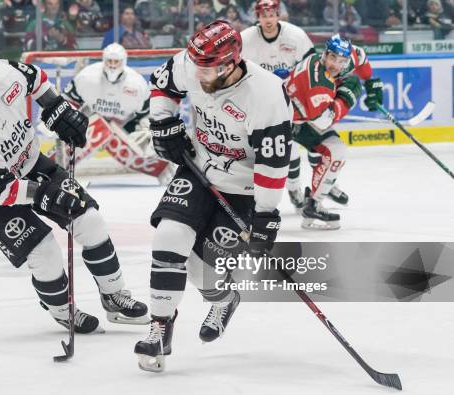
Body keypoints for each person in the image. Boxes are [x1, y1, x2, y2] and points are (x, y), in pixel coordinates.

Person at [0, 54, 149, 334]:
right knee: (45, 251)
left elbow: (34, 77)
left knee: (90, 220)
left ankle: (114, 295)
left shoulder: (4, 75)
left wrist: (55, 106)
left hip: (32, 164)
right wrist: (48, 196)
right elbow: (5, 192)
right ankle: (63, 311)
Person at [133, 20, 292, 372]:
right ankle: (160, 327)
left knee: (201, 275)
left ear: (230, 64)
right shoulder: (195, 63)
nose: (197, 74)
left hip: (244, 191)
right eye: (196, 66)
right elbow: (163, 82)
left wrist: (266, 213)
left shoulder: (266, 94)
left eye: (206, 70)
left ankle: (224, 300)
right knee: (169, 237)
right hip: (198, 169)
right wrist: (162, 122)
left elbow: (273, 160)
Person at [284, 34, 383, 229]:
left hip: (303, 112)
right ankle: (314, 202)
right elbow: (322, 121)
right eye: (332, 59)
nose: (336, 65)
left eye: (342, 61)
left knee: (334, 151)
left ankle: (314, 202)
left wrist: (371, 81)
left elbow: (360, 56)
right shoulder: (318, 83)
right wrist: (348, 98)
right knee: (335, 152)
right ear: (325, 54)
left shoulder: (342, 59)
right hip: (292, 122)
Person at [241, 0, 316, 211]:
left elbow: (312, 67)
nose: (268, 19)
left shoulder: (296, 35)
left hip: (290, 101)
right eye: (263, 15)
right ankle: (248, 196)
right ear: (257, 17)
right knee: (251, 153)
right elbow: (236, 70)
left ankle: (293, 188)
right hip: (259, 102)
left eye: (272, 14)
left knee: (290, 151)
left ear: (278, 15)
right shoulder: (246, 39)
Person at [62, 43, 174, 183]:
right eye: (109, 61)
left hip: (122, 130)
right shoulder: (87, 76)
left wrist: (147, 134)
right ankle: (57, 169)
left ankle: (162, 168)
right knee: (91, 129)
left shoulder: (136, 83)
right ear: (103, 60)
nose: (113, 65)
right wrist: (68, 126)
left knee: (144, 141)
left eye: (116, 61)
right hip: (90, 126)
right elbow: (68, 102)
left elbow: (146, 114)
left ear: (124, 62)